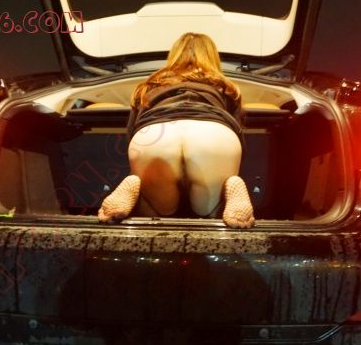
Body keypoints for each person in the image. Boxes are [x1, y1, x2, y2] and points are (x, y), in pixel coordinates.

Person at [98, 32, 255, 228]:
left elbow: (131, 132)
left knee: (158, 210)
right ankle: (230, 189)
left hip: (155, 134)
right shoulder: (226, 87)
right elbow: (238, 133)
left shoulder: (148, 86)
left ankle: (138, 193)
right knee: (207, 211)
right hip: (213, 134)